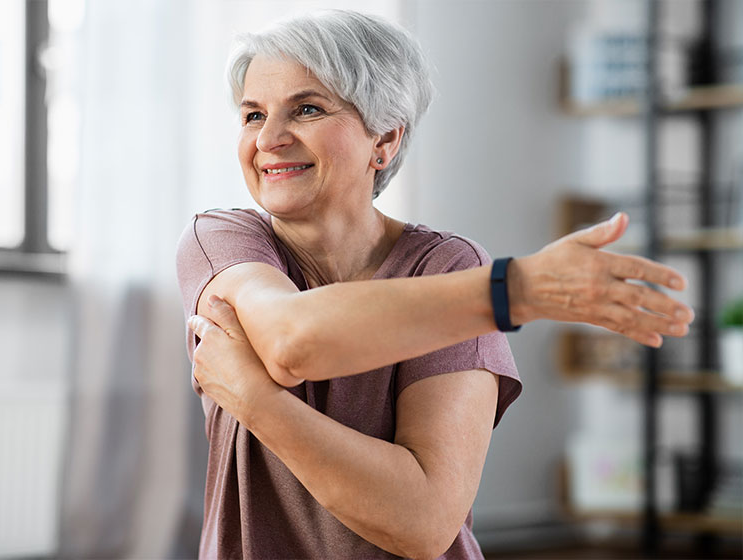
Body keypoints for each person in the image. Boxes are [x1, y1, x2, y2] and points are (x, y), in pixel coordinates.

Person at [176, 10, 693, 559]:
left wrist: (256, 400)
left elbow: (421, 523)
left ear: (385, 140)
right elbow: (292, 343)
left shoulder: (446, 267)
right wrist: (513, 291)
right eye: (253, 115)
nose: (270, 139)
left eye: (306, 109)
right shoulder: (222, 238)